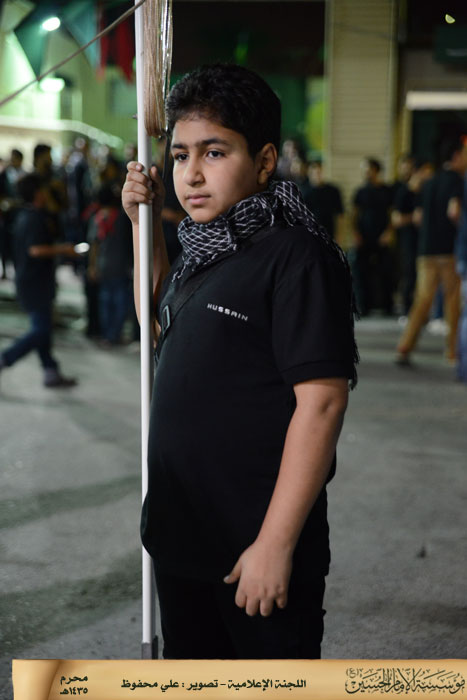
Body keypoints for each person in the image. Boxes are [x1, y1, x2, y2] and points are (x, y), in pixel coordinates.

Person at [122, 64, 357, 660]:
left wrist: (275, 544)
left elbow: (322, 404)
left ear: (265, 160)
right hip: (182, 535)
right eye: (180, 155)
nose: (192, 174)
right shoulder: (203, 247)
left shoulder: (296, 256)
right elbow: (158, 325)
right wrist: (142, 228)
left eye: (215, 152)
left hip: (252, 542)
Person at [0, 174, 78, 387]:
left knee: (44, 328)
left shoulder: (24, 215)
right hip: (34, 283)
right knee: (41, 330)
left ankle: (50, 371)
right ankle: (5, 358)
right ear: (37, 193)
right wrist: (64, 249)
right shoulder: (33, 219)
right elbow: (35, 250)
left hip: (31, 280)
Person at [396, 136, 466, 365]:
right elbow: (454, 211)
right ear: (456, 156)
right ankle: (452, 351)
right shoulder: (457, 181)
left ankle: (405, 346)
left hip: (425, 250)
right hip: (448, 250)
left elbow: (418, 218)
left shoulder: (429, 182)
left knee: (423, 299)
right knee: (452, 300)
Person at [351, 157, 395, 316]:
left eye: (368, 170)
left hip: (382, 235)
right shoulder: (360, 192)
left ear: (376, 171)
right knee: (361, 272)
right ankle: (363, 306)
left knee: (386, 271)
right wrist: (356, 233)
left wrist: (389, 232)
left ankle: (387, 306)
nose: (366, 173)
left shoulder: (386, 191)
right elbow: (354, 214)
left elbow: (391, 213)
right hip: (364, 236)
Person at [303, 160, 344, 242]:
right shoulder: (304, 192)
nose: (317, 175)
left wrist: (339, 235)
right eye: (314, 173)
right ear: (309, 174)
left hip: (329, 233)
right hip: (311, 235)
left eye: (319, 172)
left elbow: (339, 215)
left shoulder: (333, 191)